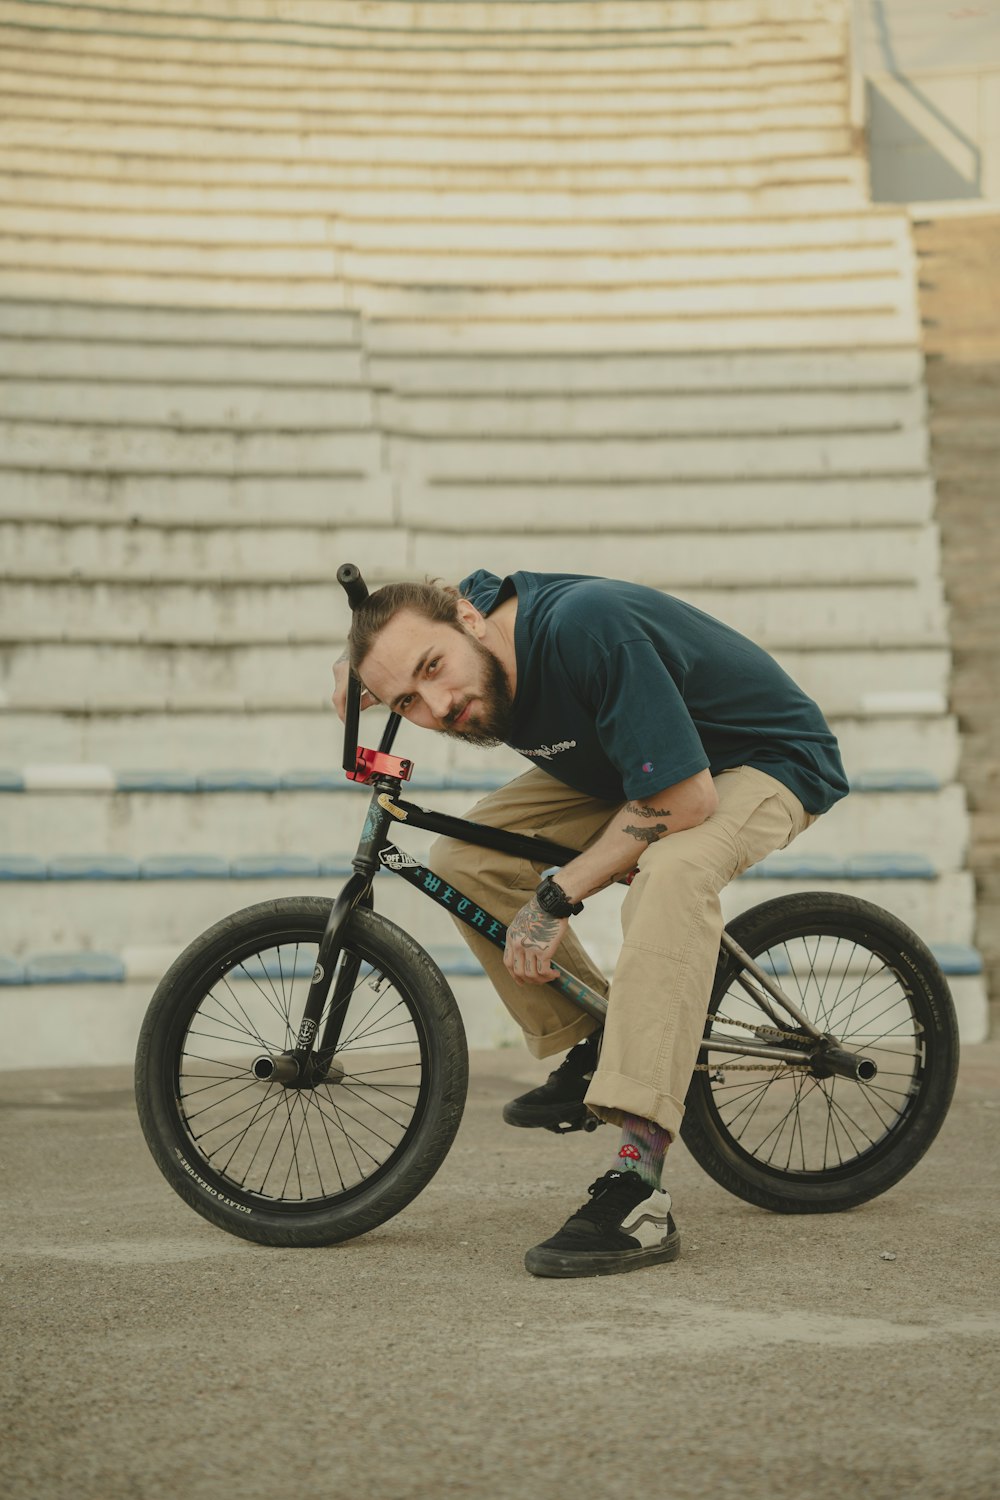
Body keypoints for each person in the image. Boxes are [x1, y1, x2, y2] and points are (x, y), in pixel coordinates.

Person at [332, 569, 849, 1279]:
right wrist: (355, 661)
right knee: (462, 856)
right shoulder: (463, 621)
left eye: (434, 668)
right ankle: (600, 1041)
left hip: (755, 760)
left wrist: (558, 895)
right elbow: (422, 611)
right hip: (628, 760)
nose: (439, 703)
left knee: (671, 874)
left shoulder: (585, 628)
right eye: (406, 701)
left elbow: (687, 798)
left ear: (468, 622)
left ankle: (639, 1188)